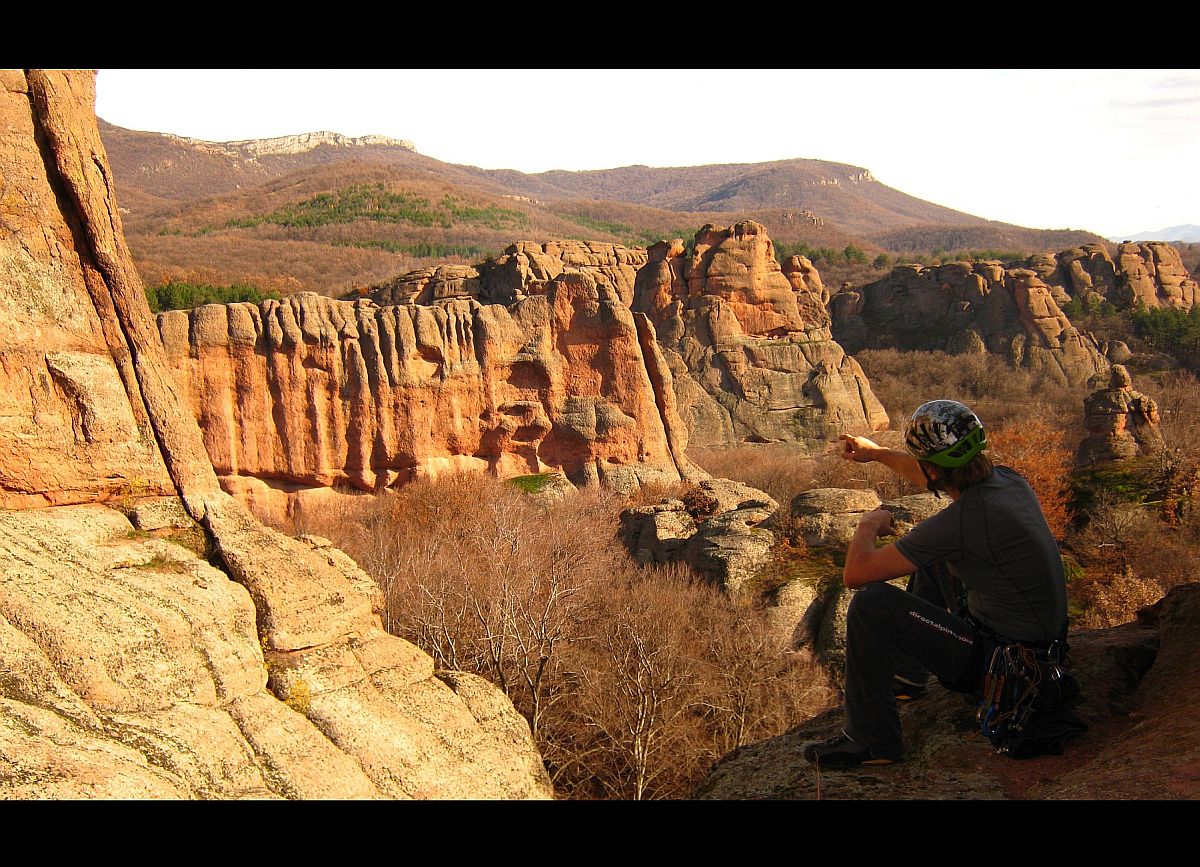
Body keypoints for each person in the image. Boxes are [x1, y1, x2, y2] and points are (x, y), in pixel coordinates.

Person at [803, 399, 1069, 769]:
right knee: (935, 558)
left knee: (870, 604)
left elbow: (856, 575)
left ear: (933, 468)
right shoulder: (1008, 481)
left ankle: (870, 741)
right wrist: (877, 453)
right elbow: (934, 475)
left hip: (1005, 670)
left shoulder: (963, 520)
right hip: (1041, 650)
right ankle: (907, 677)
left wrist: (868, 526)